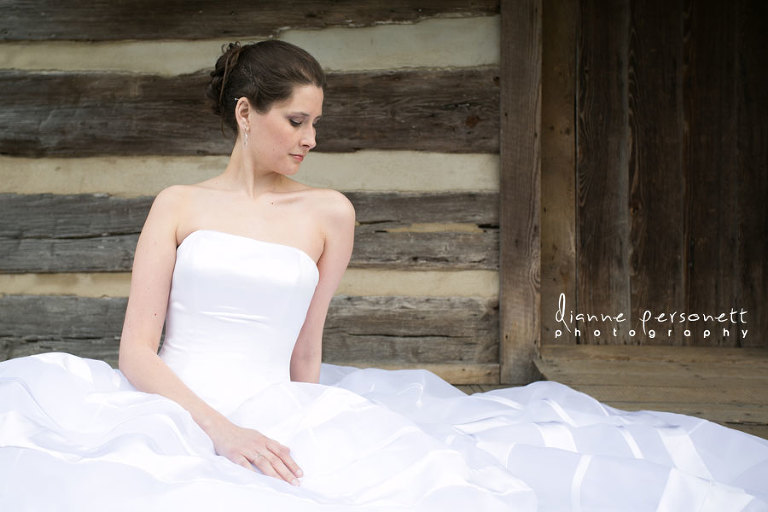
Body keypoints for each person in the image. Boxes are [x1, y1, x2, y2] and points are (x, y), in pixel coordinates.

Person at [0, 40, 766, 511]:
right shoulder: (176, 204)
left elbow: (306, 348)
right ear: (244, 113)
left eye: (316, 122)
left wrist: (299, 423)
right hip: (171, 407)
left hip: (278, 403)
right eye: (296, 120)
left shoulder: (330, 213)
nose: (311, 137)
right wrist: (221, 431)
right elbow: (136, 350)